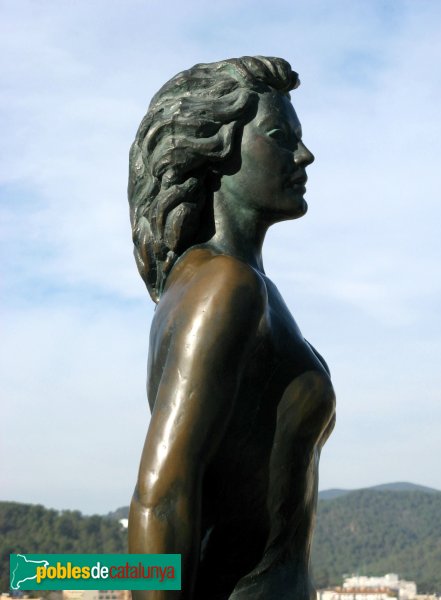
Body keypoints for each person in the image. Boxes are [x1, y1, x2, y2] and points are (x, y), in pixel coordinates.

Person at [127, 56, 336, 600]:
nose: (304, 154)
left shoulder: (231, 284)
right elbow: (162, 497)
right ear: (214, 154)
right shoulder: (225, 286)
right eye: (279, 136)